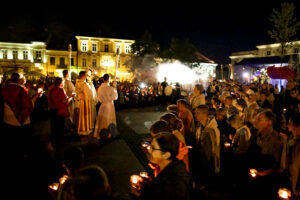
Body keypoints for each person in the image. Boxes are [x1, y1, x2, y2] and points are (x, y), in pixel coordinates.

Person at [133, 133, 194, 200]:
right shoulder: (165, 169)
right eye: (150, 146)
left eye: (153, 148)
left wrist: (140, 195)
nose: (149, 150)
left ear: (166, 155)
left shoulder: (174, 183)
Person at [1, 73, 40, 158]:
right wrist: (36, 96)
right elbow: (28, 106)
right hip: (20, 121)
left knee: (11, 142)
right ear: (19, 80)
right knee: (21, 142)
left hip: (7, 119)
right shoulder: (21, 90)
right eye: (23, 78)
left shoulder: (5, 89)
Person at [191, 105, 220, 188]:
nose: (195, 115)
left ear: (205, 114)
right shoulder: (200, 125)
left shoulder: (212, 129)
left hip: (209, 159)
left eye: (197, 113)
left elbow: (214, 148)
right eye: (195, 113)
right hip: (201, 157)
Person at [48, 77, 72, 147]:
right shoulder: (59, 90)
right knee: (59, 127)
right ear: (60, 83)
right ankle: (57, 142)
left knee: (55, 128)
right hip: (59, 110)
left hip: (54, 110)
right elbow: (63, 101)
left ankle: (55, 142)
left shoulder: (52, 90)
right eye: (62, 82)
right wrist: (70, 97)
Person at [94, 74, 118, 140]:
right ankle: (109, 134)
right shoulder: (110, 88)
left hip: (103, 105)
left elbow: (98, 98)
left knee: (101, 119)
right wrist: (115, 88)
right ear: (108, 79)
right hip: (109, 105)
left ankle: (100, 132)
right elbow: (115, 97)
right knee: (109, 119)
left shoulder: (99, 88)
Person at [74, 71, 95, 135]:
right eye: (85, 75)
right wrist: (90, 85)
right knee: (84, 116)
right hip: (85, 101)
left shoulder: (78, 82)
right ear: (83, 76)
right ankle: (84, 129)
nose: (86, 76)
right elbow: (89, 93)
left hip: (82, 101)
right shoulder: (83, 83)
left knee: (82, 115)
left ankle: (82, 128)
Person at [286, 114, 300, 196]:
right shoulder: (291, 138)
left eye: (290, 124)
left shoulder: (297, 143)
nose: (288, 126)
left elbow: (295, 165)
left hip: (294, 179)